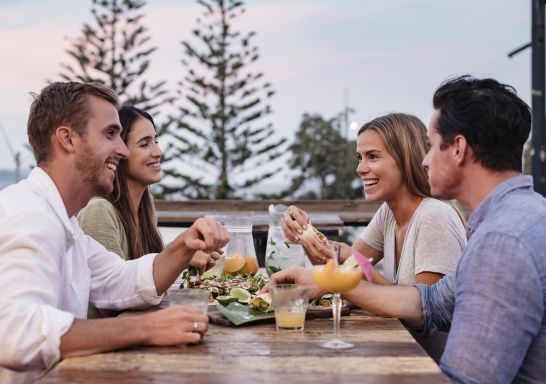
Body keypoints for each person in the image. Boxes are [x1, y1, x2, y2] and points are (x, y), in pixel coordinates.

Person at [268, 76, 546, 383]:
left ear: (458, 149)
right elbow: (429, 303)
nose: (424, 161)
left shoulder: (502, 242)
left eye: (431, 146)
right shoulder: (517, 219)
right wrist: (328, 281)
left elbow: (464, 379)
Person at [0, 82, 229, 379]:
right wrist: (146, 328)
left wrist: (186, 244)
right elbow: (16, 333)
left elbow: (122, 280)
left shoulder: (65, 222)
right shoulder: (30, 217)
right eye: (110, 134)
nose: (122, 150)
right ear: (67, 139)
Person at [284, 113, 467, 361]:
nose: (360, 168)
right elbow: (340, 267)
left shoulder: (434, 217)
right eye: (360, 157)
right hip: (397, 356)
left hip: (428, 368)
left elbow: (424, 313)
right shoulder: (388, 213)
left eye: (373, 156)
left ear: (405, 159)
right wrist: (305, 232)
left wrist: (357, 265)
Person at [77, 106, 219, 317]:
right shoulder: (98, 211)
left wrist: (184, 257)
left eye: (156, 141)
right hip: (110, 343)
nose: (158, 152)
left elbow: (147, 273)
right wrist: (180, 257)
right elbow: (115, 300)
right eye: (145, 144)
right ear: (119, 154)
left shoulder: (145, 206)